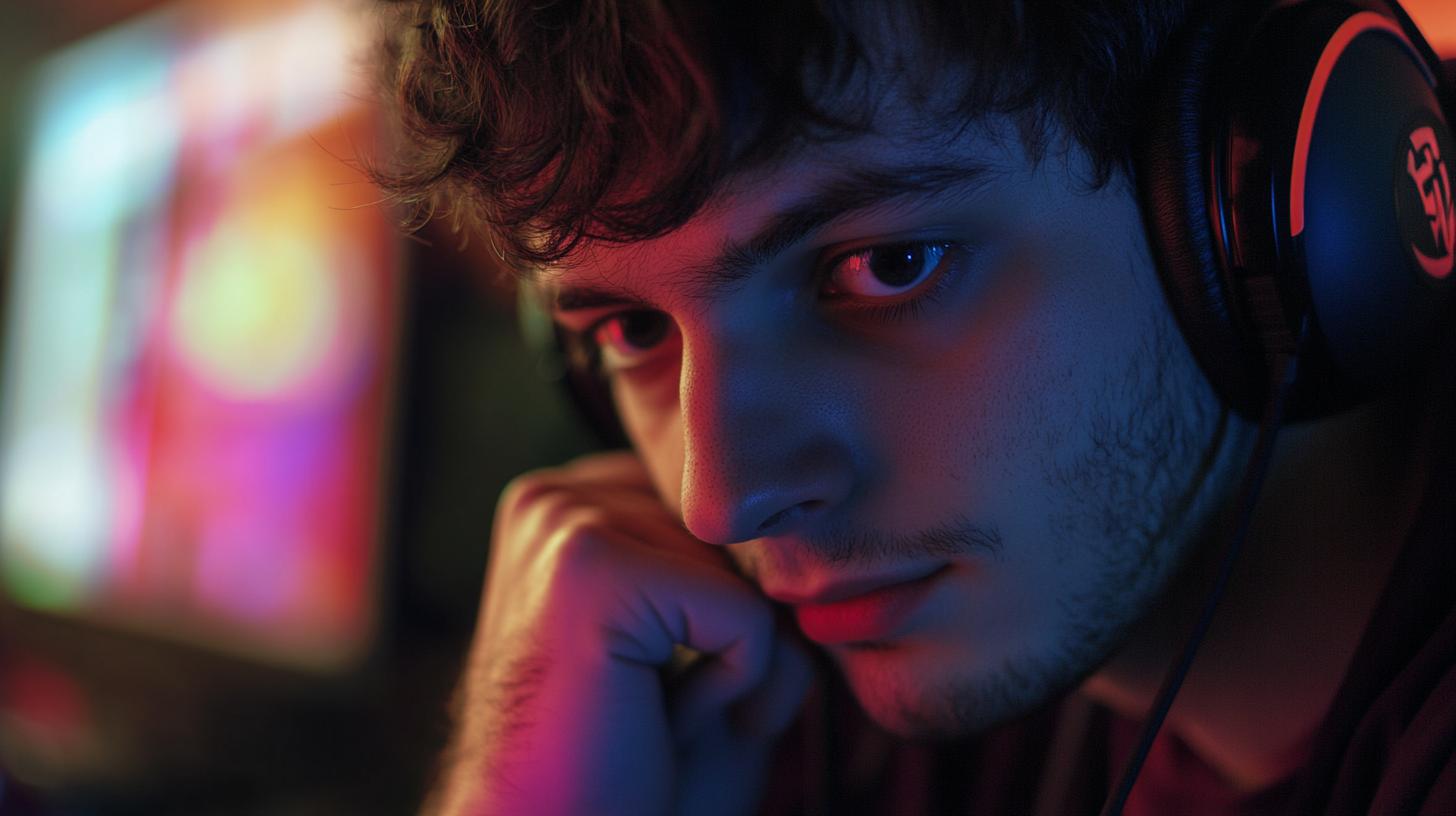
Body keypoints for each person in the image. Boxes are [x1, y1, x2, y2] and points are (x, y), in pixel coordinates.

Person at [372, 0, 1456, 813]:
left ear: (1274, 201)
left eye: (888, 265)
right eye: (631, 331)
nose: (724, 499)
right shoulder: (781, 702)